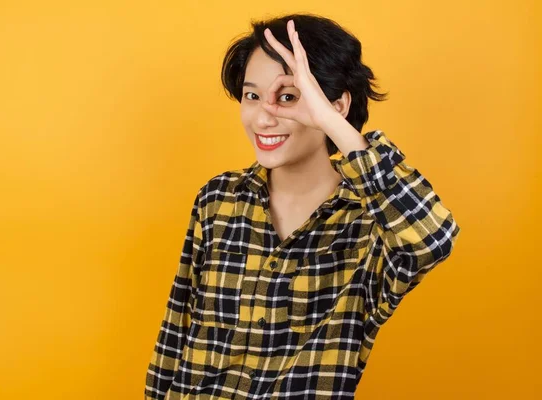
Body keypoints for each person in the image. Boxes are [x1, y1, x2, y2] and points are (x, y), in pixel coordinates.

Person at [145, 12, 460, 400]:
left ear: (335, 105)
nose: (263, 117)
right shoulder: (218, 199)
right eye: (252, 95)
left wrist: (328, 120)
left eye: (289, 97)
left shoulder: (374, 220)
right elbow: (178, 328)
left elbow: (433, 239)